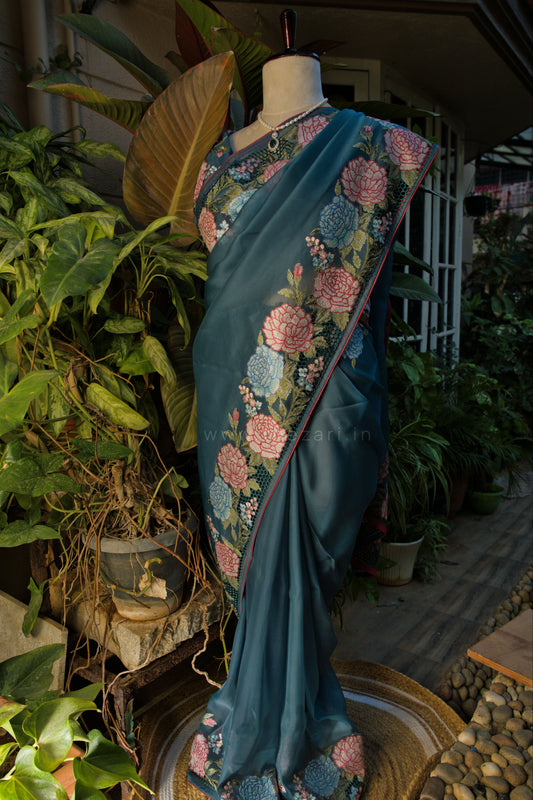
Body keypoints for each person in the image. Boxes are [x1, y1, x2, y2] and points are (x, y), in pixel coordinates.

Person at [188, 51, 437, 800]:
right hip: (233, 401)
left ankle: (301, 723)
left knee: (307, 563)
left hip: (331, 405)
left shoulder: (373, 144)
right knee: (260, 568)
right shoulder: (215, 166)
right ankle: (275, 717)